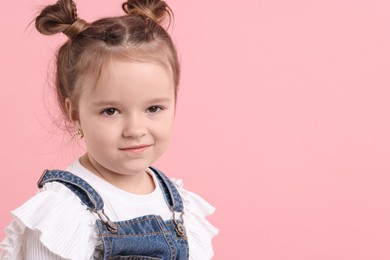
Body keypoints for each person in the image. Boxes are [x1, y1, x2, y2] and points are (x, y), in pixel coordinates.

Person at [0, 0, 218, 259]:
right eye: (111, 111)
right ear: (75, 113)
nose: (135, 130)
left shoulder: (177, 202)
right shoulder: (63, 212)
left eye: (154, 109)